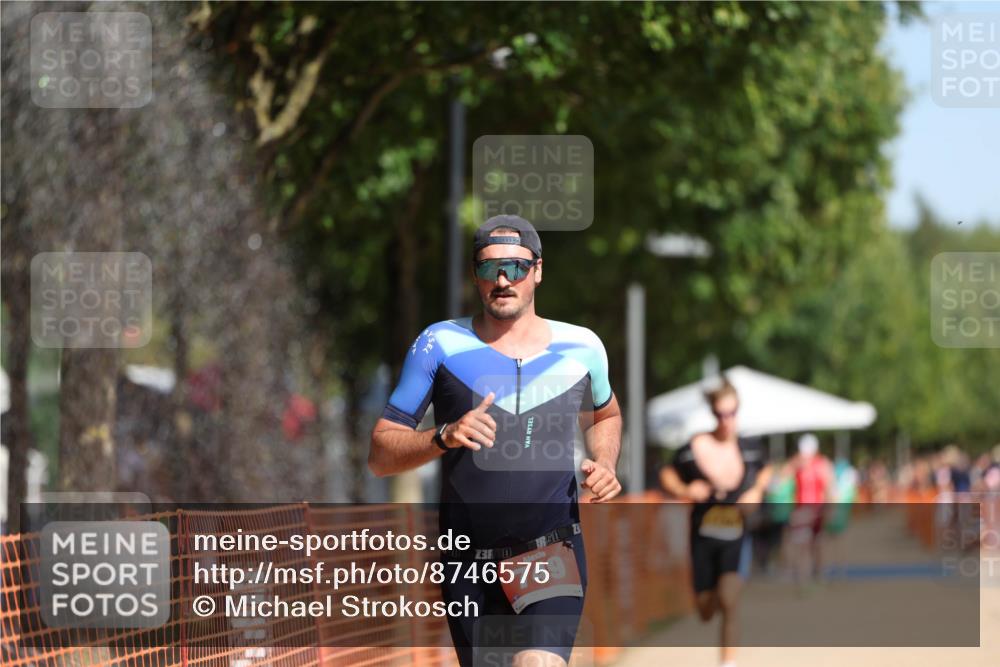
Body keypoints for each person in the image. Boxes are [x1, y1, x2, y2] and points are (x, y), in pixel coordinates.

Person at [369, 214, 623, 667]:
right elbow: (380, 454)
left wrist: (604, 461)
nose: (502, 280)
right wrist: (441, 438)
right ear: (475, 275)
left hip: (550, 546)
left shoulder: (582, 347)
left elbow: (605, 414)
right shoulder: (439, 345)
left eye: (516, 268)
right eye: (489, 268)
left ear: (538, 271)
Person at [659, 378, 771, 667]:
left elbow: (766, 469)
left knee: (730, 599)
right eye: (721, 414)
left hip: (736, 537)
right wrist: (685, 490)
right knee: (706, 610)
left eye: (732, 413)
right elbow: (667, 474)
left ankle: (728, 662)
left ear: (738, 412)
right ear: (713, 414)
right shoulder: (694, 448)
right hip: (702, 538)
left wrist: (756, 491)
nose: (727, 421)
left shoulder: (750, 448)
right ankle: (712, 599)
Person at [787, 434, 834, 587]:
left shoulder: (821, 464)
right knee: (804, 545)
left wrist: (829, 507)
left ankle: (817, 573)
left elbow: (828, 487)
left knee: (817, 544)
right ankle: (804, 576)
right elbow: (781, 478)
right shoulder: (797, 463)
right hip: (802, 509)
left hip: (816, 510)